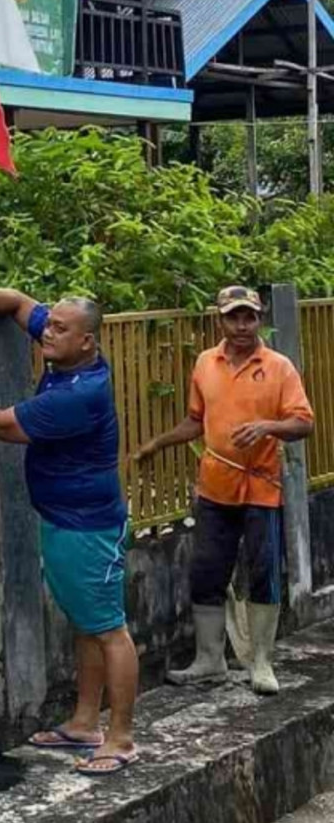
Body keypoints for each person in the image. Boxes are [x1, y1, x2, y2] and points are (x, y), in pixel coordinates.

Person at [0, 289, 138, 776]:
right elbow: (20, 302)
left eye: (61, 329)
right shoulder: (65, 351)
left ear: (87, 342)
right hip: (66, 519)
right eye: (52, 323)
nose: (48, 330)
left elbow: (3, 426)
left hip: (88, 527)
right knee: (87, 623)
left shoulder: (79, 392)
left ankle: (122, 737)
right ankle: (85, 722)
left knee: (109, 629)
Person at [135, 286, 313, 695]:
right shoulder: (204, 364)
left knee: (264, 570)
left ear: (260, 319)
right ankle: (209, 660)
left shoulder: (279, 366)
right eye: (233, 317)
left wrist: (268, 426)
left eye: (249, 317)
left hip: (262, 487)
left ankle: (262, 661)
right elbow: (197, 420)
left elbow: (304, 422)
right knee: (206, 571)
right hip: (215, 487)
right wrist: (159, 443)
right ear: (220, 320)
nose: (242, 326)